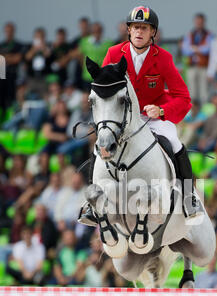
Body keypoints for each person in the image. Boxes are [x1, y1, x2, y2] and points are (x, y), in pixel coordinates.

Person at [79, 5, 202, 226]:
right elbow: (105, 90)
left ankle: (188, 197)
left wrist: (162, 111)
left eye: (144, 28)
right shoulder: (114, 54)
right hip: (122, 117)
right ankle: (91, 203)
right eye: (135, 27)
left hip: (152, 116)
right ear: (128, 30)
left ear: (153, 32)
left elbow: (184, 98)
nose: (139, 32)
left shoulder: (163, 58)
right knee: (101, 144)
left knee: (174, 141)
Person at [181, 13, 213, 104]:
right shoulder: (190, 34)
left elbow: (208, 49)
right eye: (197, 21)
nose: (199, 23)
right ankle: (192, 111)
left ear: (204, 22)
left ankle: (204, 110)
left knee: (204, 91)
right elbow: (185, 50)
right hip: (192, 66)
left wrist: (195, 48)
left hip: (203, 66)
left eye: (201, 22)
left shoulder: (209, 34)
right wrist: (198, 49)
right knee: (192, 91)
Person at [0, 22, 23, 116]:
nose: (8, 33)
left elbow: (17, 59)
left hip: (13, 76)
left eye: (10, 31)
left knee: (12, 99)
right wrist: (10, 57)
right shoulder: (1, 45)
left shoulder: (18, 45)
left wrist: (5, 57)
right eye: (7, 31)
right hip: (2, 77)